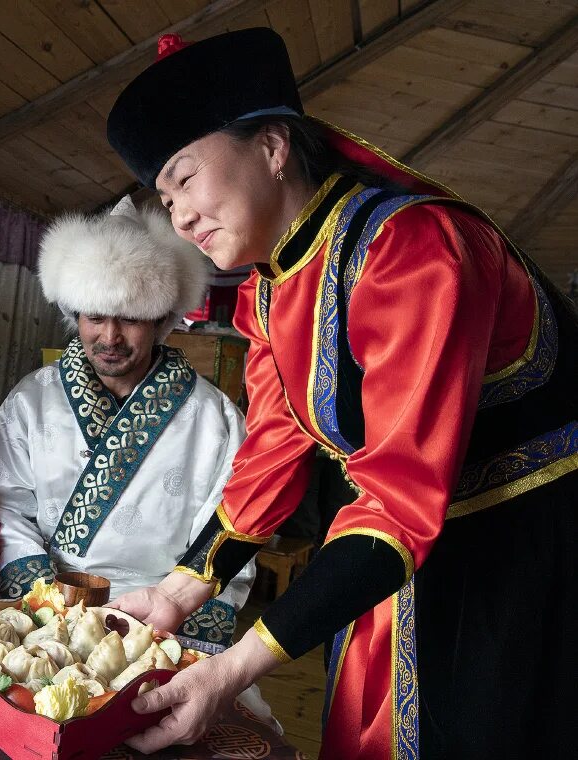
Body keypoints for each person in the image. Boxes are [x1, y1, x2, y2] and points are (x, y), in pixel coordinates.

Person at [104, 29, 578, 759]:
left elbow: (400, 488)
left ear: (271, 145)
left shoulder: (415, 250)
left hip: (518, 554)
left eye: (186, 178)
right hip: (393, 546)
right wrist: (182, 587)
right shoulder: (266, 294)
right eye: (164, 200)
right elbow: (274, 449)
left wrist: (230, 671)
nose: (180, 217)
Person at [0, 196, 254, 647]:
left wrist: (167, 611)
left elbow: (229, 532)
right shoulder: (30, 402)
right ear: (74, 316)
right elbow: (3, 507)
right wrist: (46, 602)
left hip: (159, 618)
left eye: (129, 319)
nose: (109, 337)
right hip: (46, 611)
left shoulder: (214, 418)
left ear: (161, 320)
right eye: (95, 317)